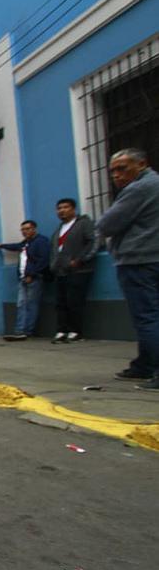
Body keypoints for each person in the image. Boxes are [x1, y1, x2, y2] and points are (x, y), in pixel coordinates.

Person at [95, 148, 159, 391]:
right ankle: (144, 364)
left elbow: (106, 224)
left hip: (139, 260)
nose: (116, 175)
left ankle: (151, 366)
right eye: (112, 171)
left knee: (147, 317)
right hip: (151, 258)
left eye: (123, 168)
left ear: (141, 164)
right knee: (150, 315)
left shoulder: (139, 188)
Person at [49, 198, 98, 343]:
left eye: (65, 207)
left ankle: (75, 331)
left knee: (75, 301)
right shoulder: (58, 230)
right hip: (60, 271)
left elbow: (93, 242)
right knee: (61, 302)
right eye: (59, 208)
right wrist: (53, 265)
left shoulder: (83, 224)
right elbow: (54, 250)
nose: (62, 210)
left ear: (73, 209)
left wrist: (80, 259)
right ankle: (61, 330)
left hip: (79, 270)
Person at [0, 220, 50, 341]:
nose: (25, 232)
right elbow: (15, 246)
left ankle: (27, 330)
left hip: (34, 278)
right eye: (23, 229)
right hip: (23, 278)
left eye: (27, 229)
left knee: (31, 304)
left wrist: (32, 274)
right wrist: (1, 246)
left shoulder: (41, 241)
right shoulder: (26, 243)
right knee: (21, 304)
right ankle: (20, 330)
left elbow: (44, 260)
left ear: (34, 229)